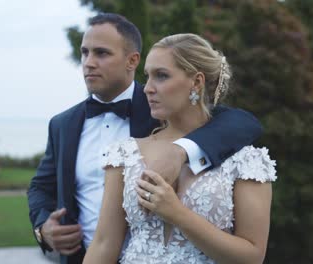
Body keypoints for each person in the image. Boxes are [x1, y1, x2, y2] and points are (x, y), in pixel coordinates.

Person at [28, 13, 263, 264]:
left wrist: (181, 151)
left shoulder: (163, 109)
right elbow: (42, 187)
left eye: (102, 53)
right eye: (84, 52)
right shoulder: (63, 124)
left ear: (132, 60)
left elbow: (242, 123)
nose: (88, 62)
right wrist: (42, 229)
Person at [83, 33, 277, 264]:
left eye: (161, 76)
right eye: (148, 76)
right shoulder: (124, 154)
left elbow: (252, 257)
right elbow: (104, 244)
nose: (147, 88)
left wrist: (176, 213)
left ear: (196, 82)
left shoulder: (246, 160)